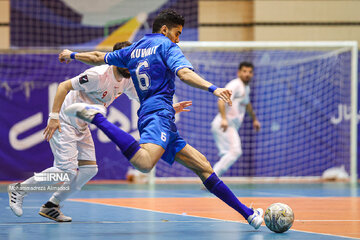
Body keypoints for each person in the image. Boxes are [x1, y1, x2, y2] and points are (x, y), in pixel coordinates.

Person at [59, 9, 263, 229]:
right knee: (145, 164)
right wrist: (213, 88)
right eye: (177, 33)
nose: (178, 39)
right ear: (164, 29)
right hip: (159, 115)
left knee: (204, 166)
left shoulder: (133, 48)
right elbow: (184, 73)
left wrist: (72, 54)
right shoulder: (167, 46)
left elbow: (99, 57)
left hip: (154, 114)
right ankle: (97, 118)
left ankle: (249, 215)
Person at [8, 41, 192, 222]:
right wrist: (53, 116)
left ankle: (51, 206)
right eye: (125, 60)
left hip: (82, 124)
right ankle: (19, 189)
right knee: (67, 172)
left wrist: (169, 107)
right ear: (116, 60)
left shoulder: (128, 79)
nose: (129, 65)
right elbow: (63, 86)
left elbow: (143, 98)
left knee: (89, 170)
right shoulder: (97, 75)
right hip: (65, 121)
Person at [211, 62, 260, 177]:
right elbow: (221, 100)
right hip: (224, 124)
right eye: (244, 71)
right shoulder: (235, 85)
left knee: (230, 153)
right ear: (239, 73)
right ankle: (211, 178)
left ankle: (211, 177)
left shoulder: (245, 88)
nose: (247, 74)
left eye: (250, 72)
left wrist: (254, 119)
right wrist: (224, 119)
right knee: (235, 151)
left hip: (228, 125)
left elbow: (247, 105)